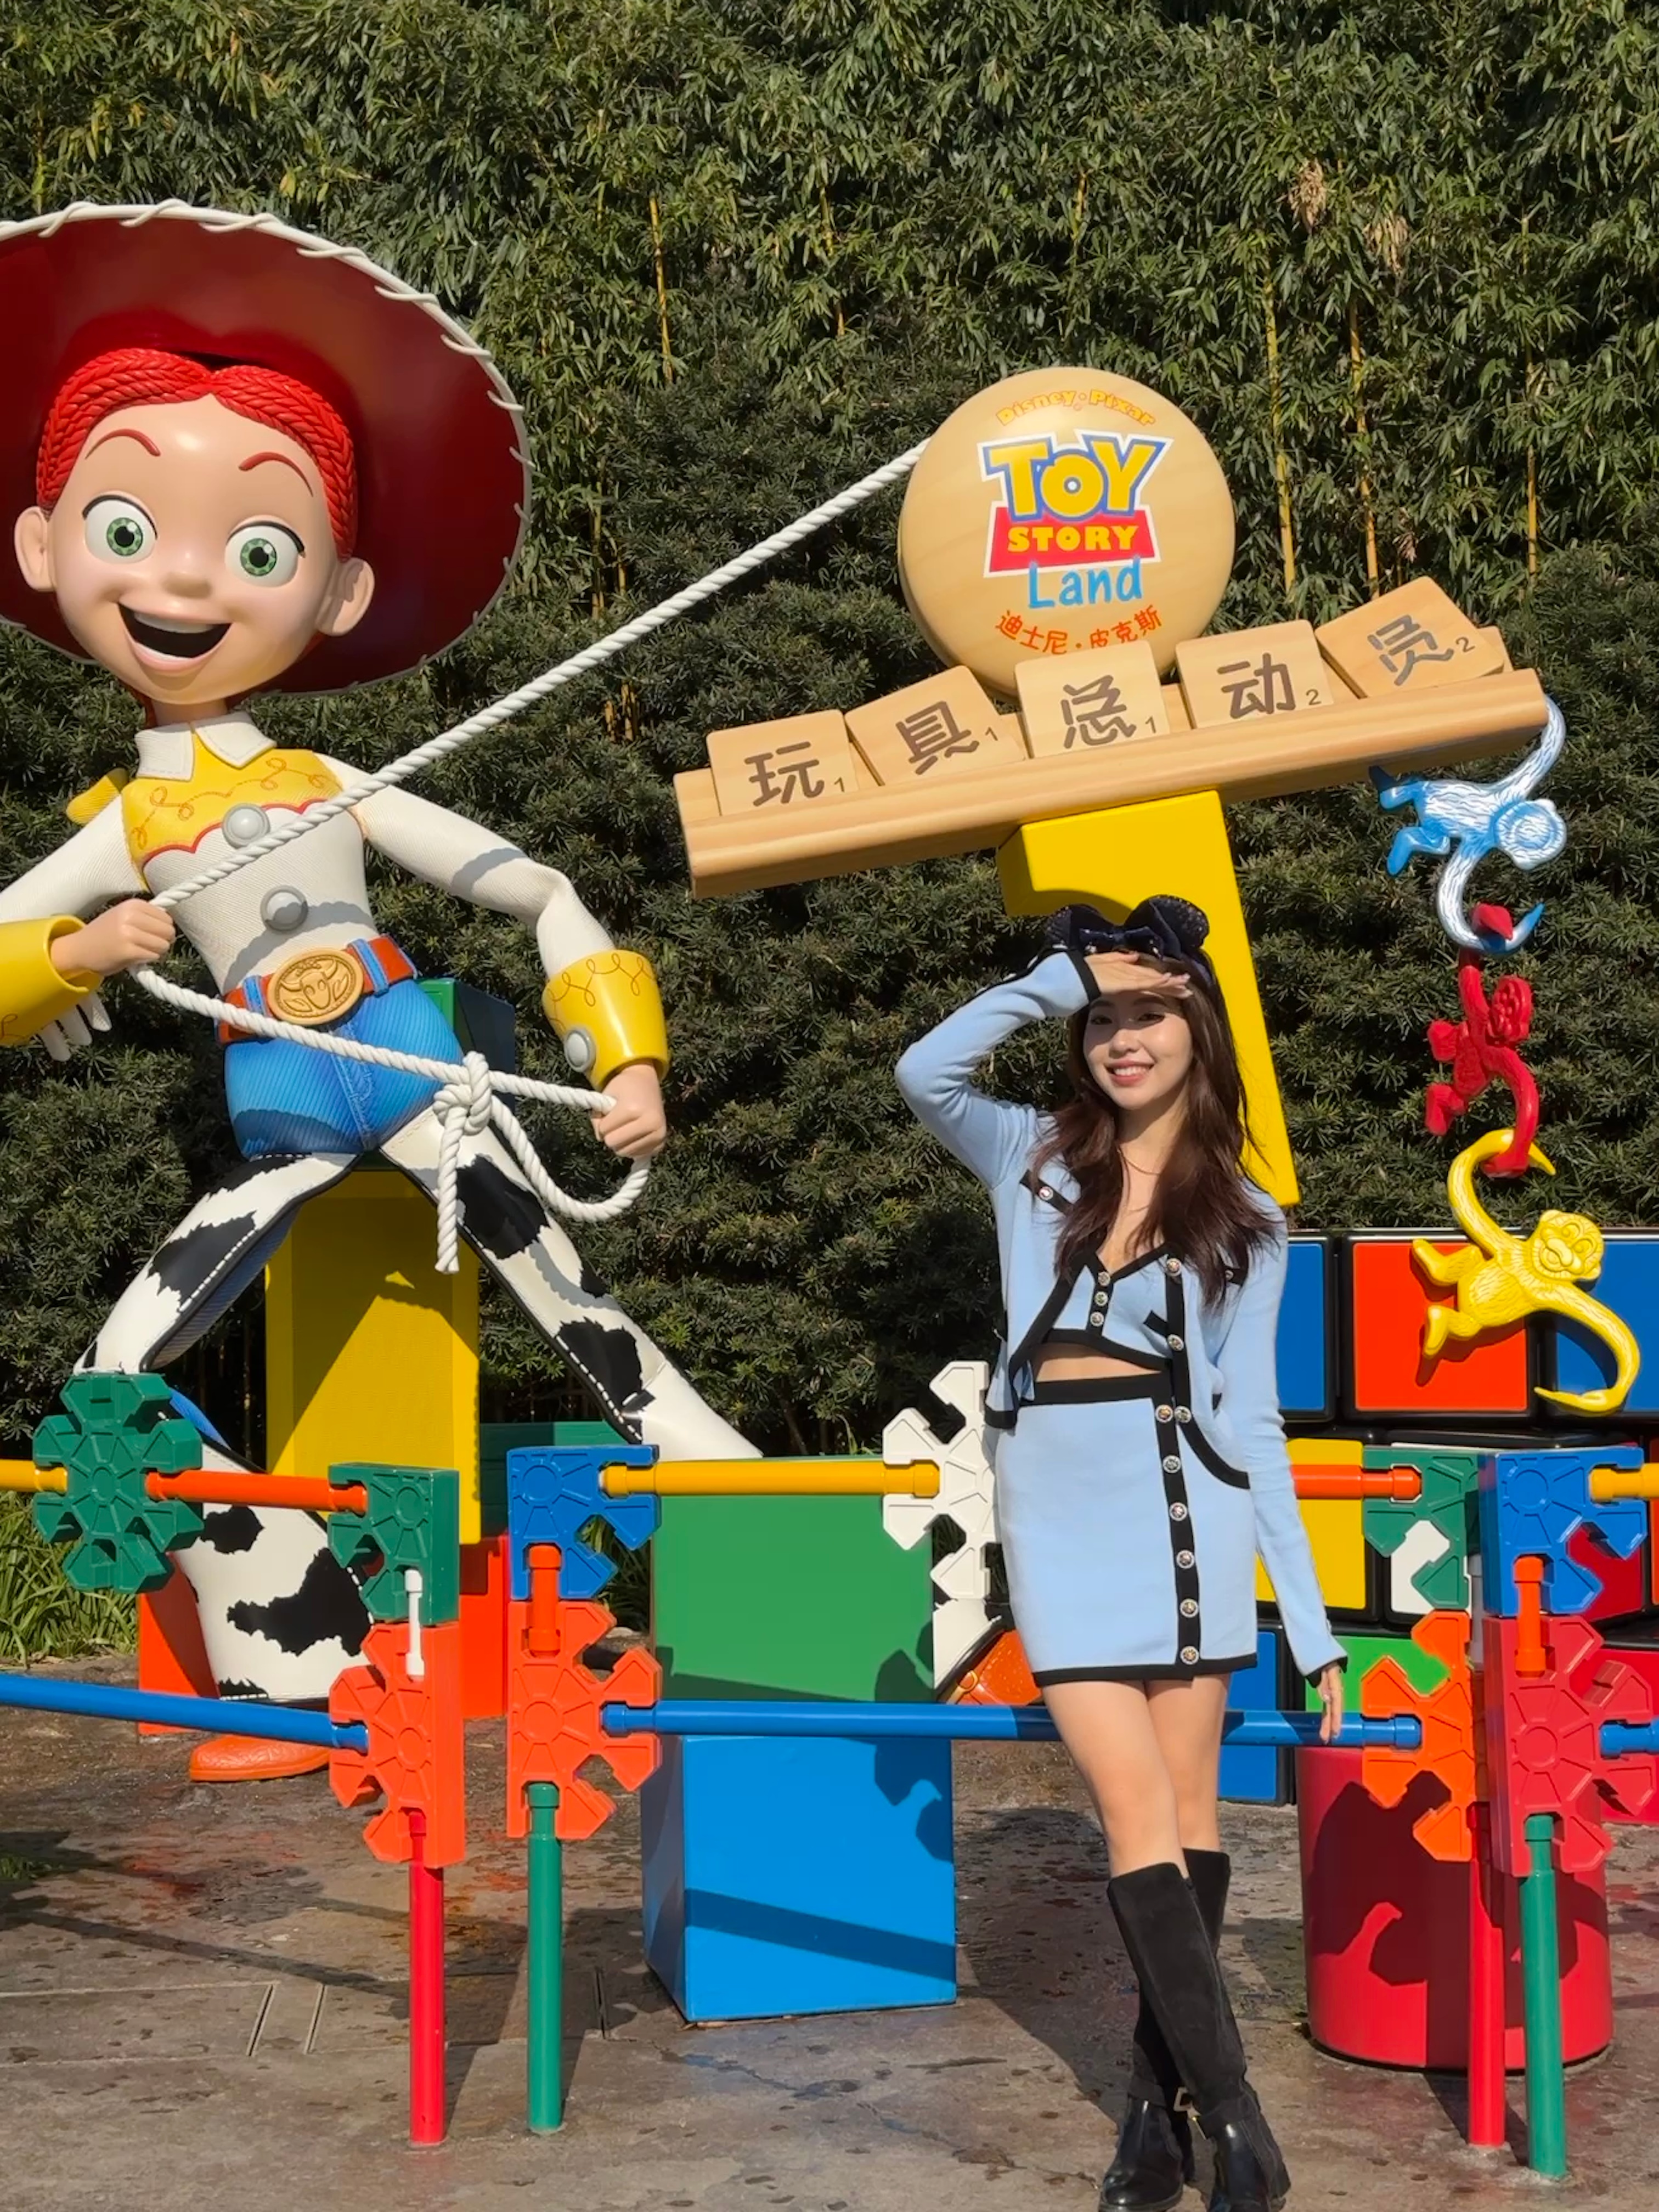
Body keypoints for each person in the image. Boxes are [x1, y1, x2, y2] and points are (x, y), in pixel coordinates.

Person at [0, 202, 751, 1781]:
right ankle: (304, 1648)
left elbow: (538, 890)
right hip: (280, 1107)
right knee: (108, 1387)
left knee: (587, 1323)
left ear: (336, 591)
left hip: (416, 1065)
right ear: (45, 546)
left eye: (258, 550)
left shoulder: (333, 778)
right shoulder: (124, 823)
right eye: (128, 529)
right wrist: (74, 955)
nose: (186, 578)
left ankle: (780, 1552)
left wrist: (624, 1055)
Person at [896, 894, 1346, 2212]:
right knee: (1136, 1812)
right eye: (1104, 1020)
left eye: (1150, 1013)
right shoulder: (1030, 1158)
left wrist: (1310, 1623)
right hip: (1061, 1517)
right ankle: (1242, 2123)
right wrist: (1064, 975)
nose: (1123, 1039)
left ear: (1202, 1030)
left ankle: (1156, 2115)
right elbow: (924, 1069)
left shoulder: (1248, 1214)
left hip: (1189, 1510)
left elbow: (1253, 1422)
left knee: (1190, 1825)